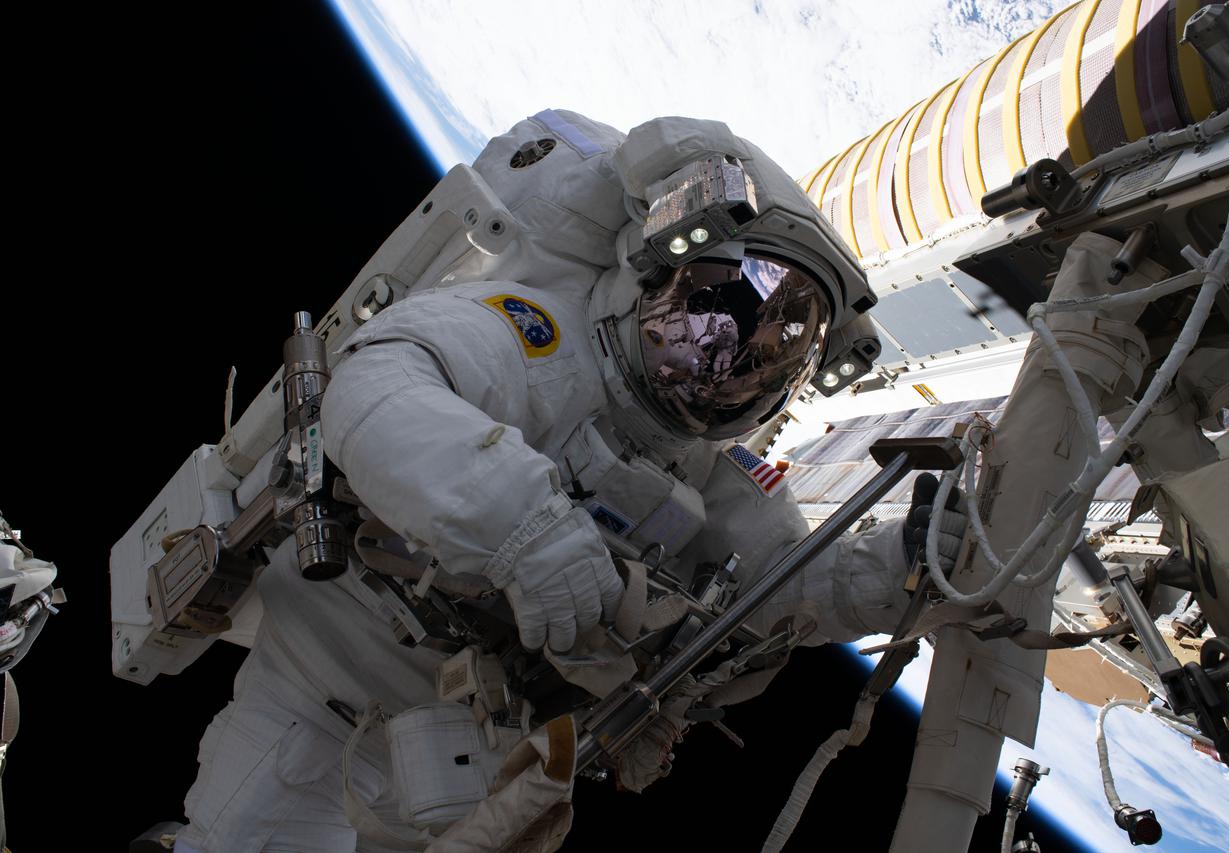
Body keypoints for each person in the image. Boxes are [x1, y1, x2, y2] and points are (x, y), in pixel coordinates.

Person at [174, 112, 966, 853]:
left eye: (769, 351)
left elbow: (781, 587)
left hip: (466, 753)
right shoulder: (539, 336)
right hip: (318, 687)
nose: (726, 357)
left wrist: (892, 570)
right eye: (717, 310)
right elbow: (375, 393)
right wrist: (526, 528)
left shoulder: (712, 476)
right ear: (662, 268)